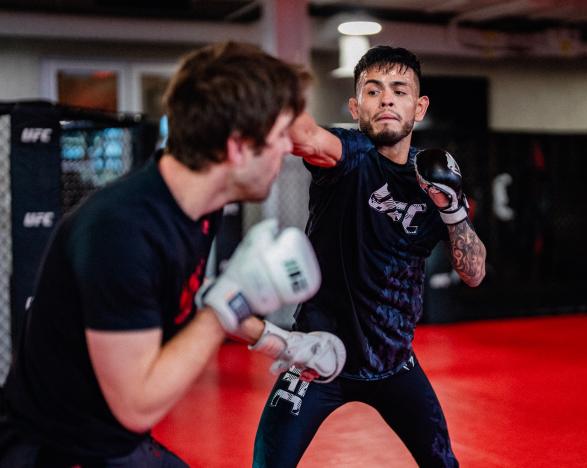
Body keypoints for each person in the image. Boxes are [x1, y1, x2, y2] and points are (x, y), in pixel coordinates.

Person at [0, 41, 346, 467]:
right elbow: (136, 405)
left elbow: (191, 300)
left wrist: (282, 343)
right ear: (237, 147)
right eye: (277, 138)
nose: (285, 150)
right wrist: (232, 299)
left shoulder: (199, 208)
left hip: (110, 441)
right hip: (55, 451)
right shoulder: (121, 232)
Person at [252, 45, 487, 467]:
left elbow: (473, 274)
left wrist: (453, 211)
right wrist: (273, 82)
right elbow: (304, 136)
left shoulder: (432, 180)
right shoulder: (349, 156)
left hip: (395, 363)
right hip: (315, 359)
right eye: (373, 91)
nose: (387, 100)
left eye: (399, 90)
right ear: (356, 107)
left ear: (419, 107)